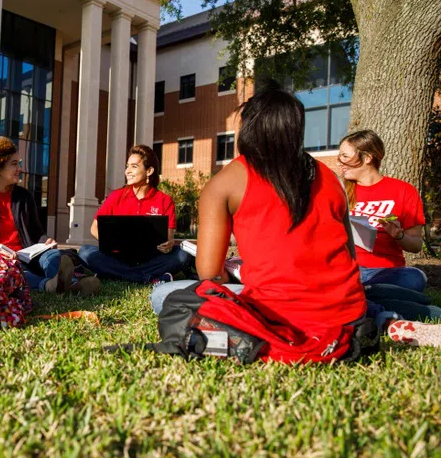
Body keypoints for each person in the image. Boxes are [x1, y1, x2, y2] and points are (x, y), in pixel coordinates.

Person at [151, 80, 368, 339]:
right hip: (349, 313)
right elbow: (351, 256)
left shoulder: (226, 181)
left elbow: (209, 274)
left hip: (278, 314)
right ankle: (388, 313)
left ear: (248, 128)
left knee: (161, 294)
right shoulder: (330, 178)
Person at [0, 136, 100, 296]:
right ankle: (52, 285)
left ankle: (69, 283)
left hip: (29, 253)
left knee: (52, 256)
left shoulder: (24, 196)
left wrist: (46, 241)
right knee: (11, 270)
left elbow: (37, 233)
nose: (19, 169)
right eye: (14, 164)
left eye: (19, 163)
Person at [338, 129, 440, 329]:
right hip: (350, 268)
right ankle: (399, 305)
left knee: (415, 277)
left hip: (388, 273)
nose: (340, 162)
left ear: (367, 158)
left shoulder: (403, 191)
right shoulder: (339, 191)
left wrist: (399, 235)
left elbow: (416, 245)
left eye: (345, 156)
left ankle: (362, 296)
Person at [78, 145, 192, 285]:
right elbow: (94, 228)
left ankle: (114, 274)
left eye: (134, 166)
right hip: (117, 256)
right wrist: (114, 242)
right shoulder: (116, 196)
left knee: (182, 255)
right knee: (85, 251)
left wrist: (168, 244)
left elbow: (169, 238)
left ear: (149, 171)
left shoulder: (165, 201)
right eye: (127, 166)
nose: (127, 171)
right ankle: (145, 277)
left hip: (150, 258)